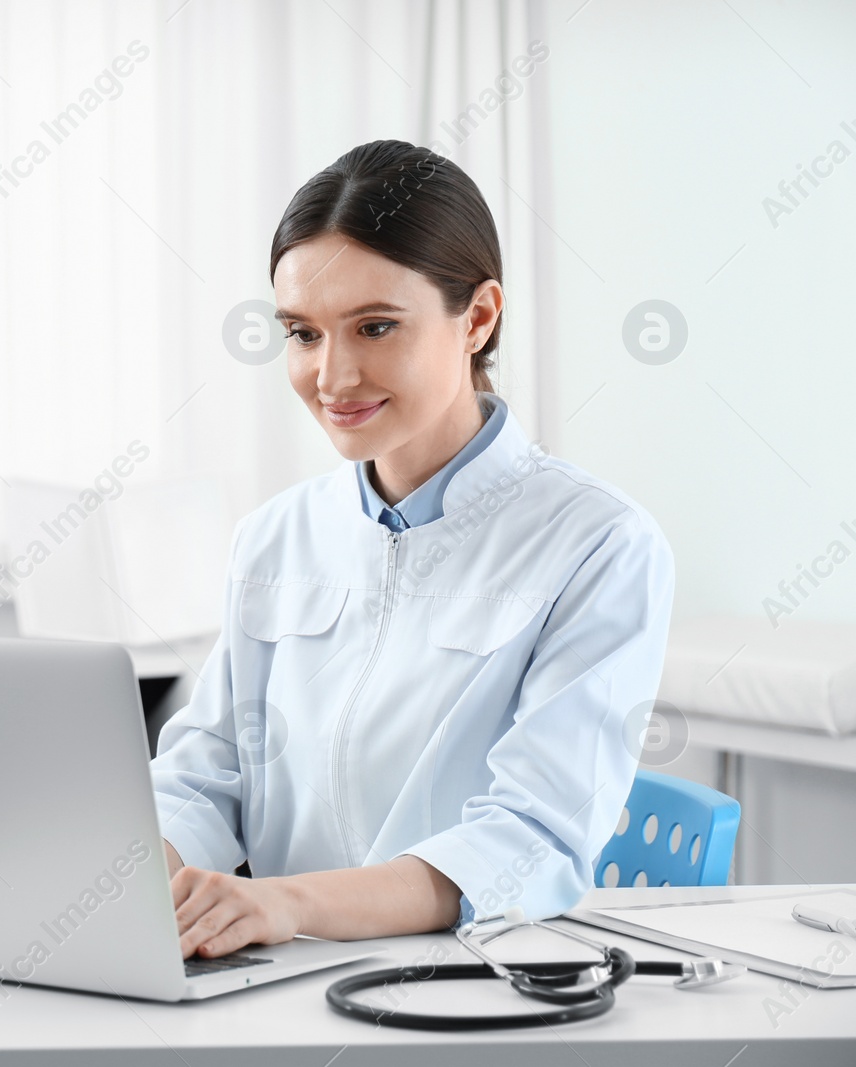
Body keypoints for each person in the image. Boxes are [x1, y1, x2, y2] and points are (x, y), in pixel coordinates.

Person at [150, 139, 675, 961]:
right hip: (278, 979)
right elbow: (205, 774)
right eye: (303, 333)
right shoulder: (275, 536)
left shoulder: (599, 543)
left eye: (376, 327)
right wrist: (136, 876)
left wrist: (283, 901)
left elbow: (528, 839)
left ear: (479, 318)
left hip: (475, 983)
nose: (333, 375)